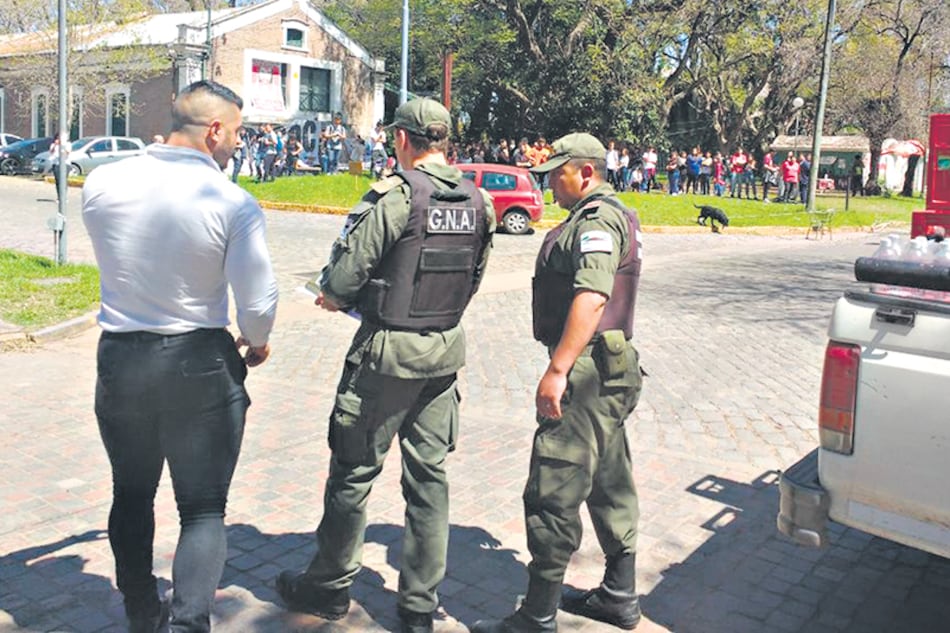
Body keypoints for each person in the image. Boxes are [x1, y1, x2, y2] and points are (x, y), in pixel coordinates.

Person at [275, 98, 495, 633]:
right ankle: (419, 605)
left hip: (386, 355)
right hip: (443, 353)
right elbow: (473, 278)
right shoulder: (479, 200)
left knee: (353, 473)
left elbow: (345, 276)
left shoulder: (397, 196)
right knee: (429, 479)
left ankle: (328, 587)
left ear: (402, 140)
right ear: (444, 141)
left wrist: (330, 296)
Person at [81, 80, 278, 633]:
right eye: (236, 133)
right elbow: (257, 303)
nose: (237, 145)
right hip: (197, 360)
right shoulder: (230, 200)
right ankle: (190, 624)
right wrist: (257, 341)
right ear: (214, 130)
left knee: (132, 491)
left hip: (122, 357)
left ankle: (141, 608)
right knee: (202, 507)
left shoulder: (102, 182)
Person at [471, 133, 644, 633]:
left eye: (558, 174)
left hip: (588, 372)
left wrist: (558, 369)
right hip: (605, 371)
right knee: (609, 479)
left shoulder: (598, 221)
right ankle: (618, 594)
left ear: (585, 172)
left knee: (555, 482)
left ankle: (538, 615)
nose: (549, 183)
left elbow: (592, 295)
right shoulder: (602, 216)